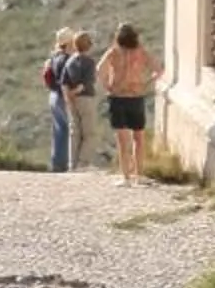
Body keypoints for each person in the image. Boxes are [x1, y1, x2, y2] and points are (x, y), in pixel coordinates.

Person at [96, 21, 159, 184]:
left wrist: (107, 85)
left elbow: (99, 69)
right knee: (139, 138)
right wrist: (146, 83)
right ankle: (139, 175)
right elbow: (158, 69)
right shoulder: (141, 52)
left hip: (117, 97)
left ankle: (125, 177)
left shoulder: (113, 52)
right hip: (136, 96)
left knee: (122, 140)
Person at [60, 31, 98, 169]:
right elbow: (85, 83)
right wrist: (76, 91)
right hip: (85, 98)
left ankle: (72, 163)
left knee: (74, 131)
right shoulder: (89, 62)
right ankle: (83, 163)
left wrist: (68, 96)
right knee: (89, 132)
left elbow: (64, 82)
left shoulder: (69, 61)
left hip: (72, 100)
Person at [42, 29, 74, 173]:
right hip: (62, 96)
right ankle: (66, 164)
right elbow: (65, 81)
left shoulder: (54, 57)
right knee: (67, 130)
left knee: (58, 130)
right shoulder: (66, 59)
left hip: (53, 95)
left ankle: (57, 163)